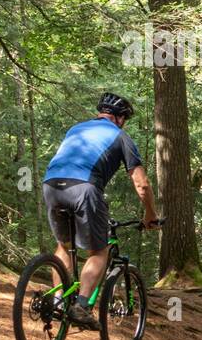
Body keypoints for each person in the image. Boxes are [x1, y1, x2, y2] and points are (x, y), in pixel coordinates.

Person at [42, 92, 159, 326]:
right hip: (84, 188)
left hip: (51, 184)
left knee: (64, 246)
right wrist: (150, 214)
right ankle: (82, 306)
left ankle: (57, 300)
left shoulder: (76, 129)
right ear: (120, 118)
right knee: (99, 252)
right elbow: (142, 184)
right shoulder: (121, 137)